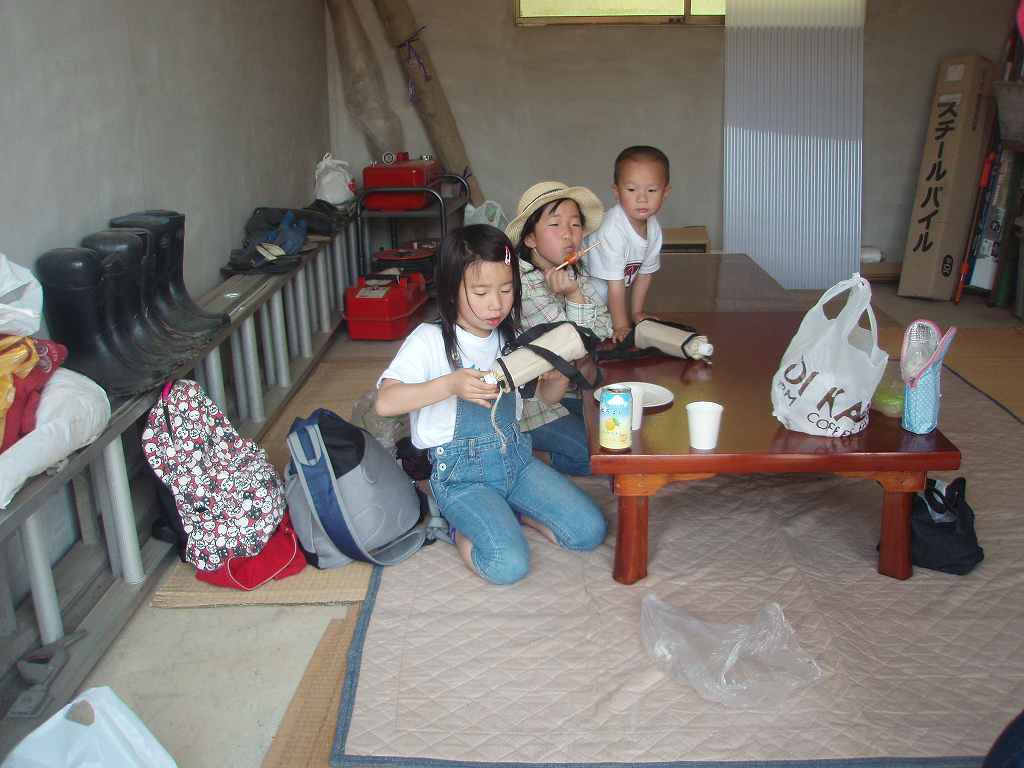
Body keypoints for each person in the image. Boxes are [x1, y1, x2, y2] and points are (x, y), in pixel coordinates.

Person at [374, 225, 607, 585]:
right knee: (507, 565)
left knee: (589, 531)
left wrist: (557, 379)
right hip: (461, 478)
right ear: (451, 290)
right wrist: (450, 384)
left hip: (517, 460)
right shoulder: (429, 340)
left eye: (506, 289)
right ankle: (457, 526)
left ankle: (514, 512)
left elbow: (544, 401)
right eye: (481, 292)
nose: (496, 304)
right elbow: (385, 403)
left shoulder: (512, 338)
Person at [504, 181, 613, 477]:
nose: (568, 234)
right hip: (531, 405)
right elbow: (575, 346)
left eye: (575, 224)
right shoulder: (521, 285)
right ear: (530, 238)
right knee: (596, 459)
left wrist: (574, 293)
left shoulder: (572, 270)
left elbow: (604, 329)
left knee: (618, 433)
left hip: (570, 390)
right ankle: (528, 454)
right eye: (555, 225)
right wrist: (575, 296)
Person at [584, 145, 672, 342]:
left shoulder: (653, 227)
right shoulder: (611, 230)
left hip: (606, 304)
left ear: (665, 192)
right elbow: (615, 284)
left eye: (652, 190)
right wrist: (621, 325)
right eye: (631, 189)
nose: (642, 198)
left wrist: (637, 313)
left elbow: (645, 274)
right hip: (583, 302)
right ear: (616, 191)